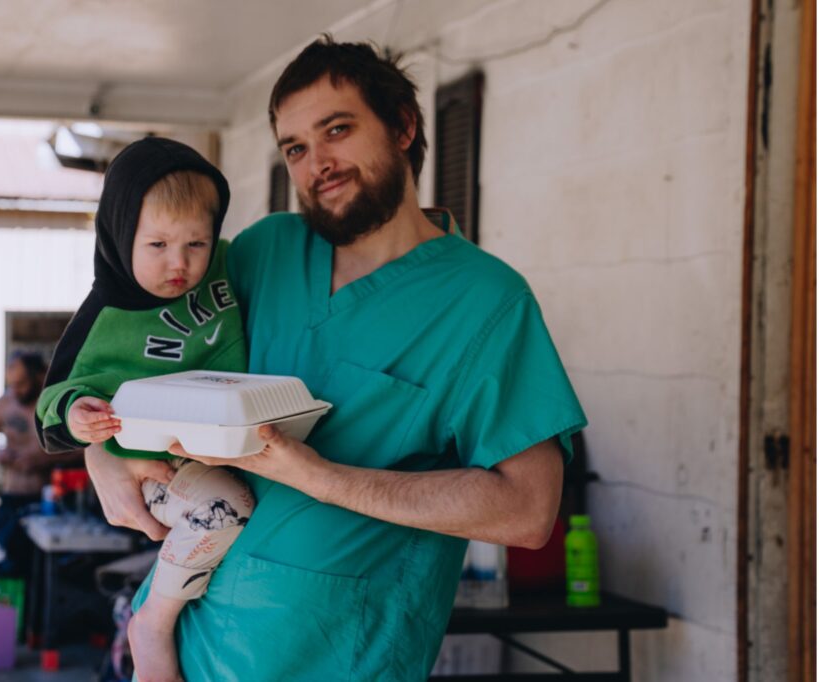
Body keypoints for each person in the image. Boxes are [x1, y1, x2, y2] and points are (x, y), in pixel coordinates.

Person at [87, 36, 589, 681]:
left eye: (338, 129)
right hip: (188, 642)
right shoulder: (263, 252)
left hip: (340, 658)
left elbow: (526, 511)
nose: (316, 161)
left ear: (403, 126)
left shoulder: (485, 301)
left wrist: (318, 475)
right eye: (295, 147)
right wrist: (100, 451)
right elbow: (136, 341)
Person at [36, 137, 254, 682]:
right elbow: (52, 404)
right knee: (227, 509)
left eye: (196, 244)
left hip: (234, 445)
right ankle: (152, 621)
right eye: (156, 244)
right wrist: (79, 417)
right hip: (159, 466)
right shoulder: (105, 314)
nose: (179, 264)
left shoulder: (232, 264)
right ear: (118, 234)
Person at [0, 351, 83, 509]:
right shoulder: (4, 405)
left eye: (21, 384)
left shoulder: (58, 407)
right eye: (11, 385)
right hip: (11, 494)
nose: (15, 390)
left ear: (39, 376)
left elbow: (84, 452)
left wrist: (44, 460)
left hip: (51, 498)